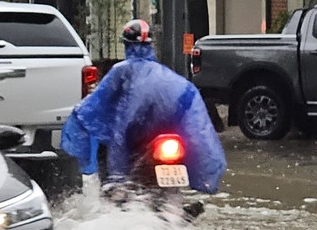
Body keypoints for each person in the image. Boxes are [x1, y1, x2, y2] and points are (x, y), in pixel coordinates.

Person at [61, 18, 227, 193]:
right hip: (164, 135)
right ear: (150, 45)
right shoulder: (165, 74)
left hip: (138, 136)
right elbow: (194, 118)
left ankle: (115, 187)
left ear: (126, 45)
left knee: (111, 155)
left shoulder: (121, 70)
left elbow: (98, 102)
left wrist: (80, 116)